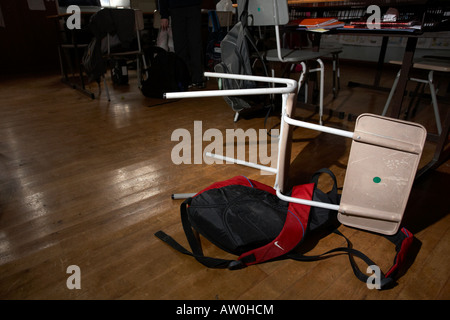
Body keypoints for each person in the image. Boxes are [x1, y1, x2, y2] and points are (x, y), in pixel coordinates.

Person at [158, 0, 205, 88]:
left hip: (193, 7)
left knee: (195, 44)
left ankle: (197, 78)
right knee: (180, 46)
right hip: (176, 9)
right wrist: (164, 15)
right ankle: (184, 78)